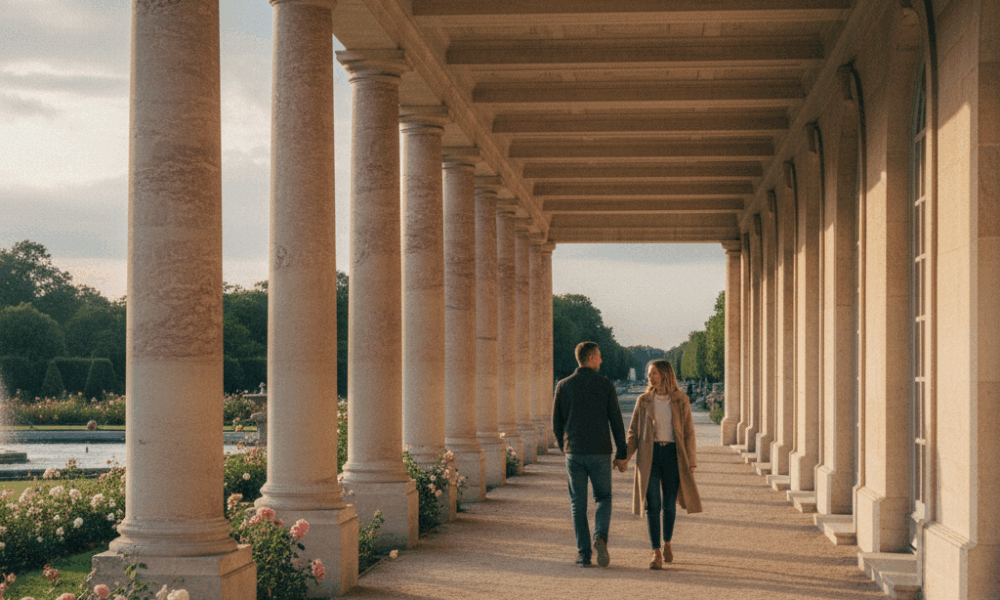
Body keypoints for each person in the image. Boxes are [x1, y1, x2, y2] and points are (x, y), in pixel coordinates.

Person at [617, 359, 702, 570]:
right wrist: (625, 457)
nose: (650, 377)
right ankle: (655, 551)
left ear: (665, 374)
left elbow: (689, 432)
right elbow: (633, 432)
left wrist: (691, 461)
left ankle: (667, 543)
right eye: (649, 374)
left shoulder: (681, 400)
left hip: (673, 455)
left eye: (654, 373)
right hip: (650, 456)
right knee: (652, 504)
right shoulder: (644, 400)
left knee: (669, 504)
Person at [552, 341, 628, 568]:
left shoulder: (563, 385)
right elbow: (616, 421)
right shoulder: (605, 385)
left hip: (574, 451)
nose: (601, 360)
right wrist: (621, 452)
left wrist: (564, 445)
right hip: (600, 451)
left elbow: (556, 422)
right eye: (599, 356)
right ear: (592, 357)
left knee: (578, 504)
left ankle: (584, 554)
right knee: (604, 498)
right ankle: (600, 536)